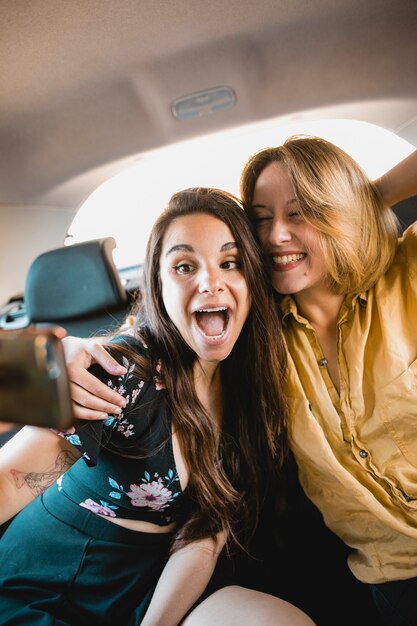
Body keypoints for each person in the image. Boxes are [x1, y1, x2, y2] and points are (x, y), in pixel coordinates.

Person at [64, 139, 417, 626]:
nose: (276, 236)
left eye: (302, 212)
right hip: (394, 579)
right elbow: (164, 333)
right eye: (261, 219)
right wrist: (59, 352)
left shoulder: (408, 273)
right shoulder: (251, 341)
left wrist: (366, 197)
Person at [0, 187, 316, 626]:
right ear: (158, 285)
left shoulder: (252, 393)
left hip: (150, 583)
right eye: (185, 267)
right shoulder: (122, 372)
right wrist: (35, 372)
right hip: (52, 581)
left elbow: (204, 538)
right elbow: (5, 485)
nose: (210, 282)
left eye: (230, 263)